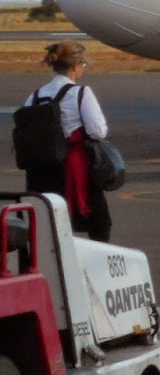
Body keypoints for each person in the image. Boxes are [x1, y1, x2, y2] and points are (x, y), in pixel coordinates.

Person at [25, 41, 112, 241]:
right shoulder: (81, 93)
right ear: (75, 66)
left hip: (41, 170)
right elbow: (97, 131)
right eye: (84, 64)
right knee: (100, 224)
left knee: (47, 225)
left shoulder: (35, 95)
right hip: (74, 167)